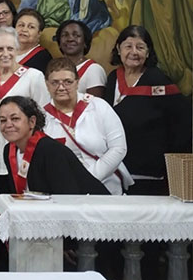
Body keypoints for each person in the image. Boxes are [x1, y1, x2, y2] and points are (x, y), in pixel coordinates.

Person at [104, 25, 192, 196]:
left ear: (148, 52)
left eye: (140, 47)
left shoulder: (158, 81)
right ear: (118, 49)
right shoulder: (113, 78)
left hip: (147, 171)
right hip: (115, 169)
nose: (134, 52)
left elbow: (181, 124)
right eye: (128, 46)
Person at [0, 27, 49, 193]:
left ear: (17, 50)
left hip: (25, 158)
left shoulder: (34, 76)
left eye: (10, 48)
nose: (5, 53)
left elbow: (45, 118)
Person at [42, 57, 132, 195]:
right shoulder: (42, 117)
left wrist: (89, 178)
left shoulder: (99, 106)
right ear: (47, 84)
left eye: (67, 82)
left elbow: (118, 148)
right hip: (64, 191)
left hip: (106, 186)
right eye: (55, 83)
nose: (61, 87)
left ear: (77, 83)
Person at [0, 95, 110, 195]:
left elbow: (67, 195)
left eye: (15, 119)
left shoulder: (50, 150)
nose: (8, 125)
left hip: (89, 209)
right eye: (3, 120)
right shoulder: (8, 150)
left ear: (32, 122)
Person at [55, 19, 106, 97]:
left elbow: (94, 106)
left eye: (76, 35)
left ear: (85, 42)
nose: (70, 39)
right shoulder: (54, 68)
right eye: (65, 35)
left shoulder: (93, 69)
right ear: (59, 43)